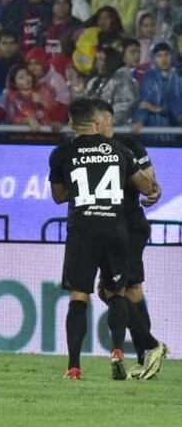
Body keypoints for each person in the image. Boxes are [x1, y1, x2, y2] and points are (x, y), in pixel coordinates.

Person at [48, 98, 155, 381]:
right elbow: (146, 187)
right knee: (116, 291)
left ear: (72, 123)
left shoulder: (61, 153)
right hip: (116, 229)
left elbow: (58, 196)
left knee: (79, 295)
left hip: (82, 230)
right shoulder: (120, 149)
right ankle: (119, 351)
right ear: (96, 122)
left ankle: (73, 366)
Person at [92, 99, 168, 380]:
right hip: (107, 227)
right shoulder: (87, 150)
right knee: (121, 290)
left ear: (108, 120)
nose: (93, 125)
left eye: (96, 119)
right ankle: (148, 354)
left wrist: (154, 189)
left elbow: (150, 182)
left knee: (122, 290)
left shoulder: (130, 147)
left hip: (130, 226)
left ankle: (147, 352)